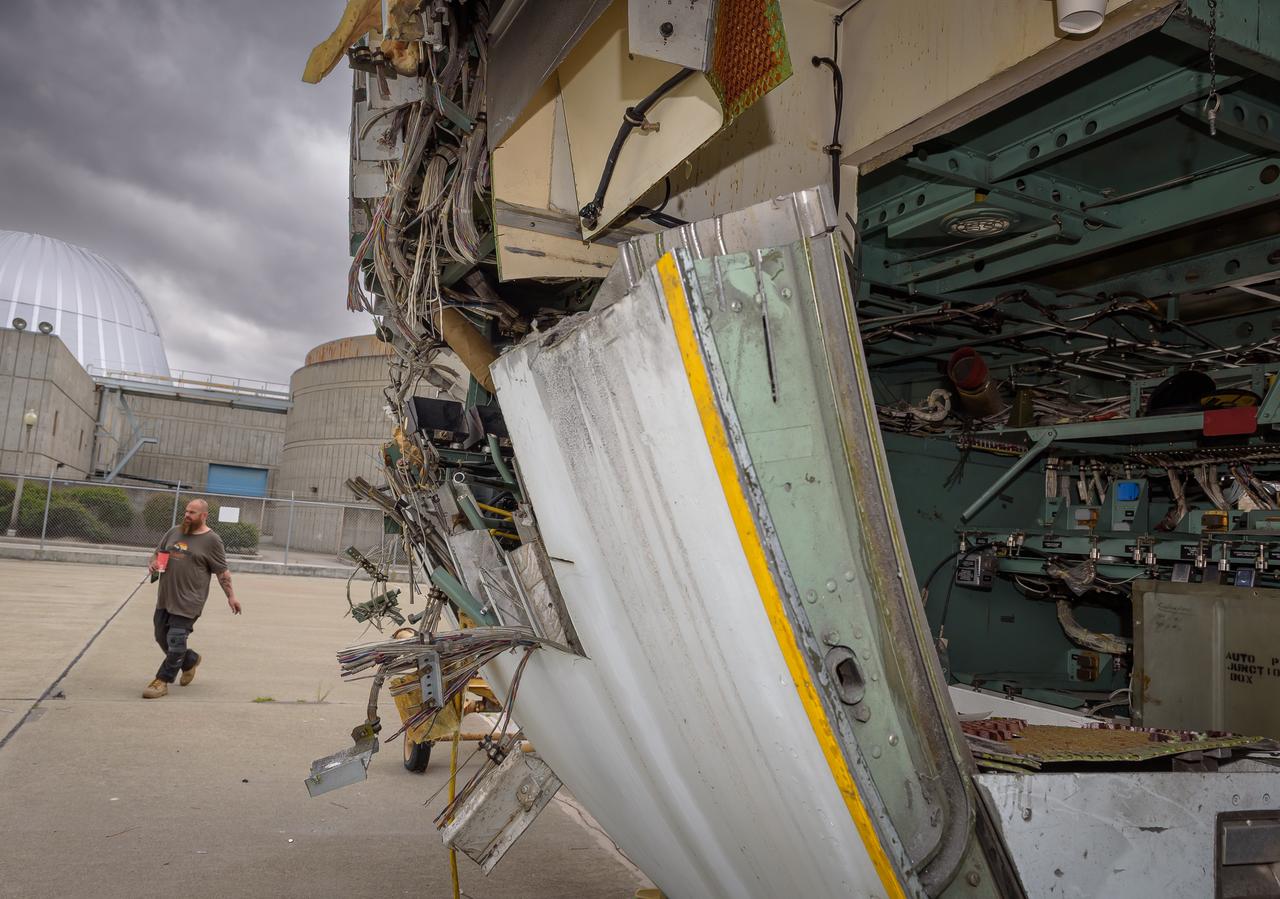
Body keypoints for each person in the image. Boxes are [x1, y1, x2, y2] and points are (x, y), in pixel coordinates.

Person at [143, 498, 242, 698]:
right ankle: (190, 660)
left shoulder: (212, 540)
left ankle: (161, 681)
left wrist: (231, 596)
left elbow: (222, 572)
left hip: (190, 599)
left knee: (176, 639)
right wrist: (153, 564)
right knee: (161, 637)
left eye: (192, 512)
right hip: (165, 597)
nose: (187, 515)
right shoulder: (174, 532)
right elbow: (158, 555)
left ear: (204, 516)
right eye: (186, 511)